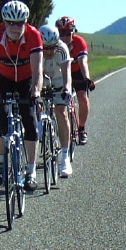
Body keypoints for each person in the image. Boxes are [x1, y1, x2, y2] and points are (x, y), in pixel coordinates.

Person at [0, 0, 43, 192]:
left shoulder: (34, 36)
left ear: (26, 22)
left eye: (20, 22)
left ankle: (30, 171)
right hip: (3, 77)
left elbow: (37, 71)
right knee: (1, 116)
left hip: (26, 78)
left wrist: (36, 91)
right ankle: (2, 163)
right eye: (10, 23)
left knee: (29, 117)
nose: (15, 27)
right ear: (3, 22)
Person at [38, 24, 73, 178]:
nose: (49, 52)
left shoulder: (62, 49)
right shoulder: (36, 49)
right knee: (37, 109)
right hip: (42, 79)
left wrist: (66, 89)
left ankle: (65, 157)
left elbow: (67, 73)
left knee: (61, 112)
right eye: (46, 48)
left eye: (52, 48)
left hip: (59, 79)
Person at [55, 16, 94, 145]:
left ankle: (81, 129)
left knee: (83, 98)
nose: (64, 37)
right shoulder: (55, 44)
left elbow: (83, 62)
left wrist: (87, 78)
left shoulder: (79, 42)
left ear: (73, 31)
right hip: (61, 72)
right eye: (61, 33)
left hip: (77, 72)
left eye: (67, 33)